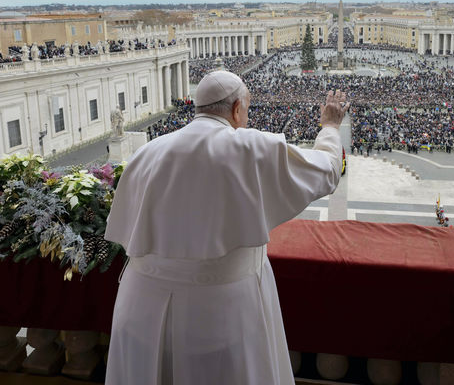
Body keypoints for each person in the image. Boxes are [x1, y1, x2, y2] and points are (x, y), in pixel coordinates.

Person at [104, 70, 349, 385]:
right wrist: (329, 126)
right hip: (217, 314)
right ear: (236, 108)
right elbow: (328, 171)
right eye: (246, 109)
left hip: (139, 308)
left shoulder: (146, 153)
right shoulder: (249, 146)